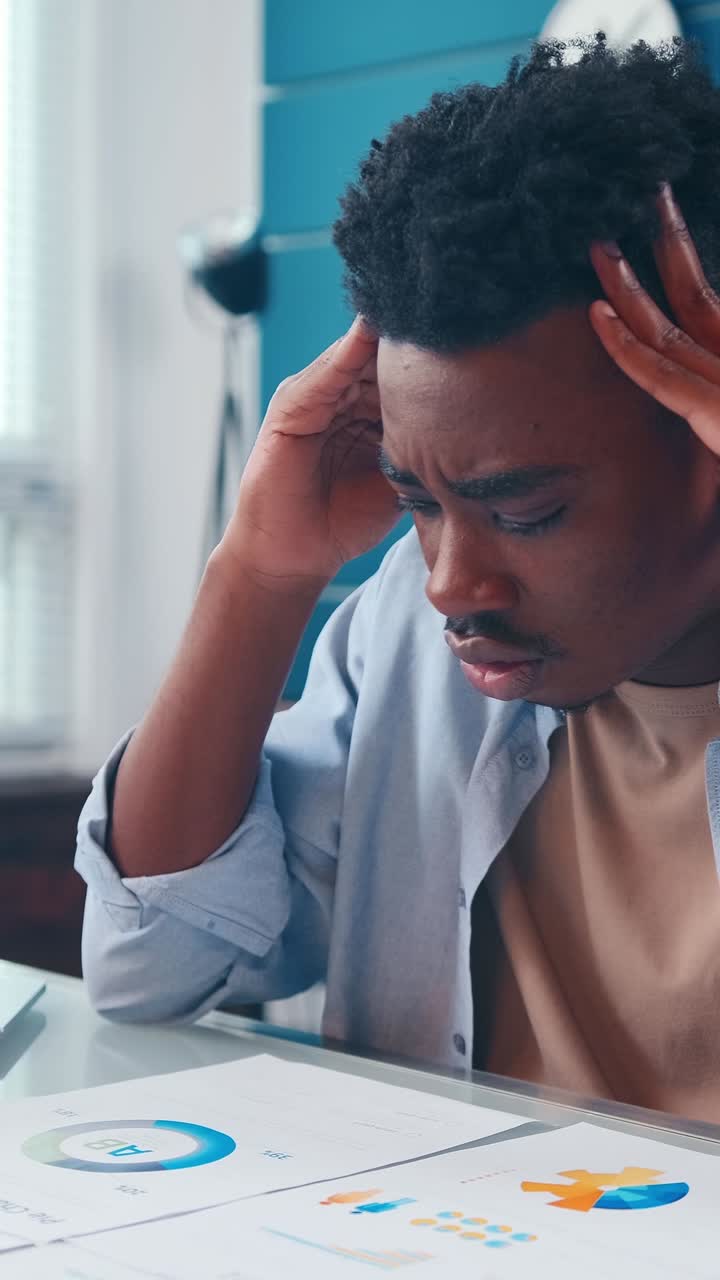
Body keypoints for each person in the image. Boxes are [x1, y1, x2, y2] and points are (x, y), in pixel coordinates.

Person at [76, 36, 720, 1122]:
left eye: (525, 511)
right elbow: (150, 966)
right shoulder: (410, 643)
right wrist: (258, 570)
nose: (449, 584)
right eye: (419, 503)